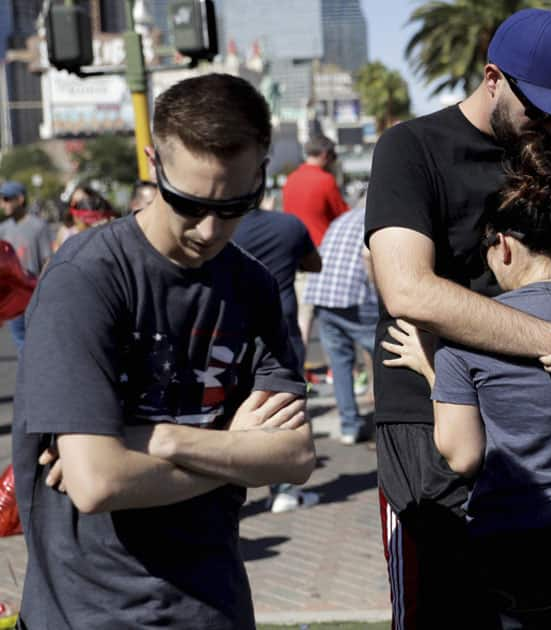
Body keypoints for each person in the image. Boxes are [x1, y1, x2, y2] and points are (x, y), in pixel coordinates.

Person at [365, 9, 551, 628]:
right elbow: (408, 290)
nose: (549, 123)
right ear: (493, 78)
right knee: (440, 607)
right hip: (430, 417)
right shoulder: (410, 149)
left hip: (533, 424)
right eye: (539, 106)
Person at [12, 73, 316, 629]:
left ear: (262, 174)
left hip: (215, 605)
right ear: (154, 164)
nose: (208, 229)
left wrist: (164, 440)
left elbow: (294, 457)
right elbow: (97, 482)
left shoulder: (250, 285)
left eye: (235, 206)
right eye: (188, 203)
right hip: (92, 612)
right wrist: (236, 455)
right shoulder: (87, 277)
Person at [232, 202, 323, 513]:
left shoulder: (225, 228)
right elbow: (314, 264)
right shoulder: (289, 224)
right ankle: (282, 490)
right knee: (282, 408)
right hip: (281, 326)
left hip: (234, 329)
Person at [302, 205, 377, 446]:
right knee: (388, 355)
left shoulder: (343, 219)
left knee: (341, 364)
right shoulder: (380, 216)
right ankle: (394, 422)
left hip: (322, 293)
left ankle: (349, 427)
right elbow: (368, 257)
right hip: (352, 297)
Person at [283, 136, 349, 354]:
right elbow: (343, 216)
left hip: (292, 251)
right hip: (320, 253)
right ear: (324, 154)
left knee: (300, 308)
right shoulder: (325, 181)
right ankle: (301, 366)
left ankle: (298, 364)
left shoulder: (291, 179)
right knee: (322, 314)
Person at [0, 180, 52, 353]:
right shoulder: (3, 228)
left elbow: (47, 261)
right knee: (21, 343)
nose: (3, 203)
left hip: (34, 294)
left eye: (7, 198)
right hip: (13, 297)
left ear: (20, 199)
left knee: (39, 344)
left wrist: (42, 291)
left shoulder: (38, 227)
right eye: (1, 199)